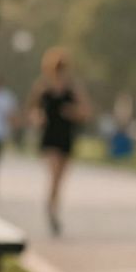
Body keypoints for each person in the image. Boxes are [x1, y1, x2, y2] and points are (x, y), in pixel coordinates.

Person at [28, 48, 90, 235]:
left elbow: (85, 112)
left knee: (60, 179)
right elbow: (33, 110)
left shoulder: (73, 88)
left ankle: (53, 205)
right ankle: (51, 208)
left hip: (66, 135)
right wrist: (38, 118)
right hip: (50, 136)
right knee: (54, 175)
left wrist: (72, 112)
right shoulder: (43, 87)